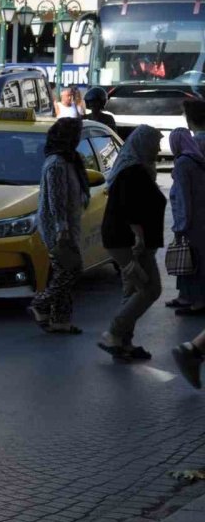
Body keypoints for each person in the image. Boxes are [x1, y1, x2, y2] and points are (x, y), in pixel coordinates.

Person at [97, 125, 165, 360]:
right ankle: (113, 332)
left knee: (133, 289)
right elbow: (131, 211)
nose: (157, 148)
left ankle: (123, 342)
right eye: (155, 143)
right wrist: (140, 238)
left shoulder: (137, 169)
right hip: (130, 244)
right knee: (150, 288)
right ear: (143, 144)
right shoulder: (133, 173)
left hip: (129, 242)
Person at [28, 118, 90, 334]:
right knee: (72, 269)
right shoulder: (56, 163)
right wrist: (61, 227)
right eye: (76, 134)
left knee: (62, 271)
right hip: (57, 228)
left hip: (68, 225)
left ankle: (60, 320)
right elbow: (56, 198)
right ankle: (41, 303)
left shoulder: (70, 160)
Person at [168, 128, 205, 316]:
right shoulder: (196, 159)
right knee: (192, 258)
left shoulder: (183, 163)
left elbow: (183, 195)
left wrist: (181, 225)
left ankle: (197, 301)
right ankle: (186, 296)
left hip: (190, 221)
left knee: (192, 259)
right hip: (198, 218)